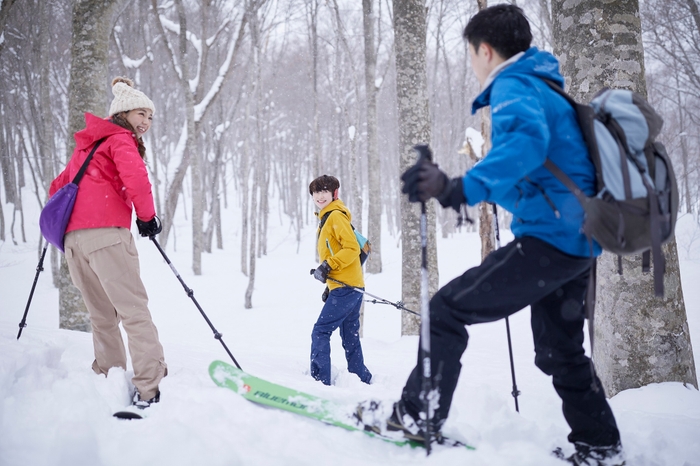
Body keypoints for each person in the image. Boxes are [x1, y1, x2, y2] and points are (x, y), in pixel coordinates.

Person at [357, 5, 624, 465]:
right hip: (578, 242)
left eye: (471, 54)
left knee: (444, 310)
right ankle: (600, 445)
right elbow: (542, 177)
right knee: (560, 350)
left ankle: (416, 416)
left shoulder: (515, 83)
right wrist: (461, 187)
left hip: (550, 241)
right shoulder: (545, 86)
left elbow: (525, 147)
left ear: (485, 49)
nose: (473, 63)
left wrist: (459, 188)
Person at [49, 77, 167, 409]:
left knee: (102, 314)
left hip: (74, 242)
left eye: (150, 117)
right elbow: (136, 179)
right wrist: (147, 217)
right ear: (123, 114)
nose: (145, 122)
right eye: (140, 114)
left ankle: (108, 375)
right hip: (106, 237)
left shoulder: (87, 147)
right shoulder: (120, 140)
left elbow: (57, 187)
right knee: (133, 310)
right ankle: (149, 385)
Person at [309, 175, 372, 386]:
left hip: (347, 288)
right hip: (350, 286)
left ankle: (319, 380)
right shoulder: (327, 217)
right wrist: (331, 284)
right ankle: (361, 378)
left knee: (321, 331)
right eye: (316, 192)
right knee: (350, 335)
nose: (319, 196)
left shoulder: (335, 216)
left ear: (334, 193)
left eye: (324, 191)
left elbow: (352, 248)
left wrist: (328, 266)